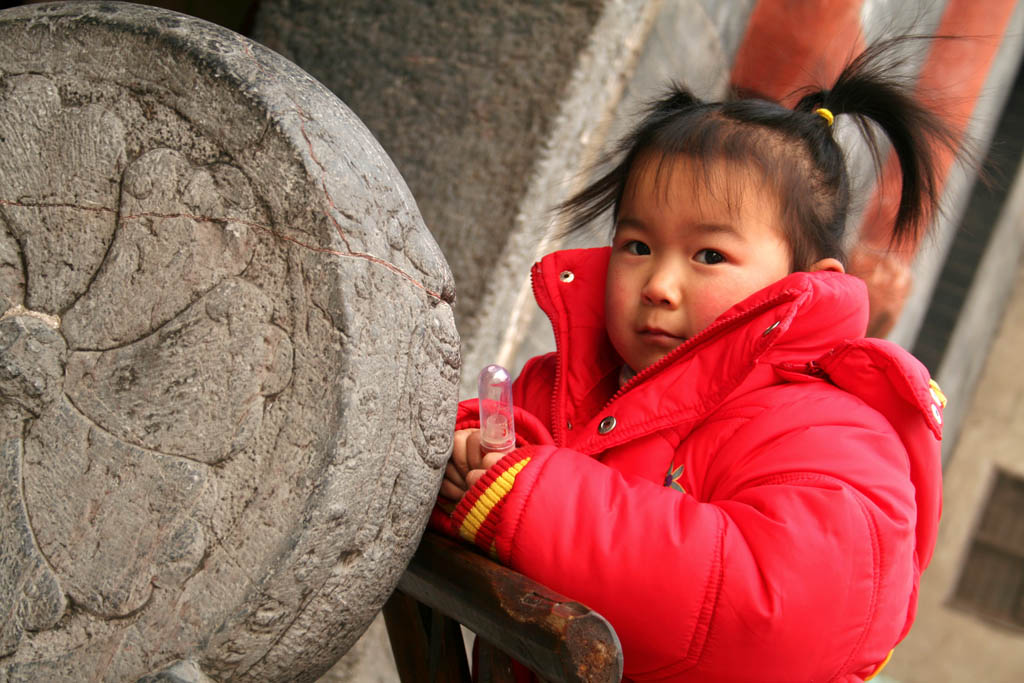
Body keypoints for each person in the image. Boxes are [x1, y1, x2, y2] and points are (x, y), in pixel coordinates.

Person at [432, 37, 961, 682]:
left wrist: (524, 500)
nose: (658, 284)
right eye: (637, 245)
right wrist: (468, 456)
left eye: (708, 255)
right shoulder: (574, 384)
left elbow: (772, 614)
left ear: (804, 283)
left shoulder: (833, 433)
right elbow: (481, 467)